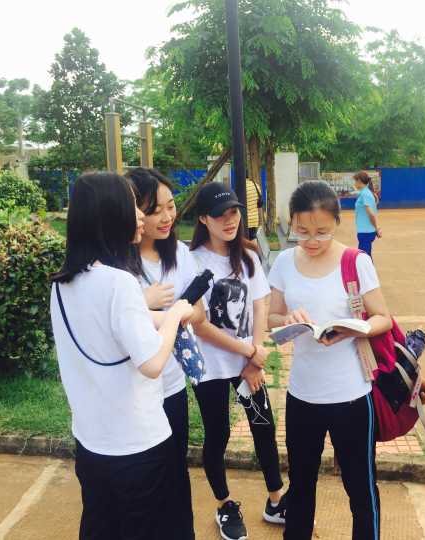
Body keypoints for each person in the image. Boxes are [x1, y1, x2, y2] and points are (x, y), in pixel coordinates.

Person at [50, 172, 201, 539]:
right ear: (111, 214)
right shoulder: (120, 282)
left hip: (92, 442)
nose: (140, 215)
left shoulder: (63, 283)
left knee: (100, 526)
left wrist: (163, 316)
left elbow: (118, 325)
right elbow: (152, 363)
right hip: (137, 444)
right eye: (133, 205)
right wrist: (176, 316)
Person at [126, 167, 255, 539]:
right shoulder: (118, 265)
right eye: (155, 210)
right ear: (133, 213)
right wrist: (147, 304)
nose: (167, 217)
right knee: (140, 478)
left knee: (174, 469)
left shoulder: (180, 254)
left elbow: (198, 314)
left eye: (170, 206)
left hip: (170, 384)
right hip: (133, 389)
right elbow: (111, 321)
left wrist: (175, 311)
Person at [268, 180, 392, 540]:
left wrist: (354, 329)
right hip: (302, 395)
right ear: (291, 222)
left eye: (322, 231)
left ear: (337, 222)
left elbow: (382, 317)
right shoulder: (284, 262)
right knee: (301, 485)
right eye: (302, 231)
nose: (311, 240)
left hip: (350, 396)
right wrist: (287, 319)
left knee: (360, 487)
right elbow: (272, 318)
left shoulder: (356, 262)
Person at [189, 182, 286, 540]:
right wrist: (248, 352)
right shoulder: (192, 261)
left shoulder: (247, 256)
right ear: (204, 219)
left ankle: (276, 500)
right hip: (211, 368)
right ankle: (224, 505)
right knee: (218, 434)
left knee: (263, 426)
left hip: (248, 365)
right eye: (220, 215)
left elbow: (260, 305)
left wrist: (255, 357)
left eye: (234, 212)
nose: (230, 220)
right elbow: (199, 324)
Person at [352, 171, 381, 258]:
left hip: (366, 232)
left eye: (355, 181)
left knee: (364, 258)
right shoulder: (365, 193)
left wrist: (377, 228)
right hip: (365, 231)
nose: (354, 183)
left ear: (359, 181)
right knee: (365, 257)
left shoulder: (365, 194)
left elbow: (371, 214)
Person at [245, 177, 262, 241]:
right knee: (253, 238)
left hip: (244, 219)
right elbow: (259, 203)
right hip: (254, 219)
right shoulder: (256, 185)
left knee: (244, 240)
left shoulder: (241, 186)